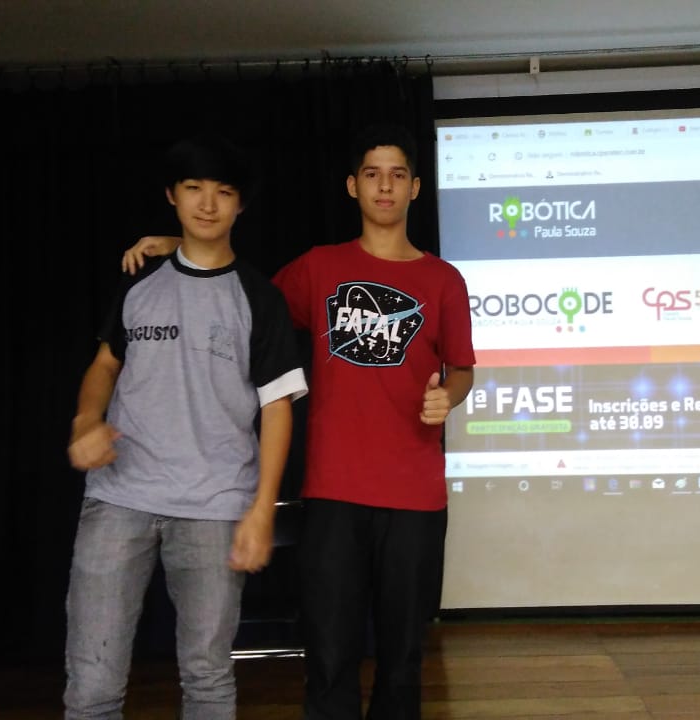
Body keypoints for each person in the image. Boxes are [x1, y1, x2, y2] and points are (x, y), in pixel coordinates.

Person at [122, 123, 476, 719]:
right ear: (352, 186)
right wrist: (184, 244)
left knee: (402, 661)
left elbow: (461, 370)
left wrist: (451, 396)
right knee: (329, 658)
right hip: (333, 492)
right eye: (372, 174)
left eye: (397, 175)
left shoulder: (444, 279)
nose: (384, 186)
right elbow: (244, 295)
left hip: (415, 496)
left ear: (415, 188)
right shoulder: (320, 267)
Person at [66, 132, 308, 720]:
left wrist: (261, 510)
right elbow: (105, 363)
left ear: (240, 205)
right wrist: (85, 421)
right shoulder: (140, 277)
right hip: (119, 497)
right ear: (171, 195)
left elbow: (278, 407)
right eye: (193, 188)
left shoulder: (259, 298)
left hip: (215, 505)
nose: (207, 203)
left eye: (223, 192)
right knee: (92, 684)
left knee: (207, 678)